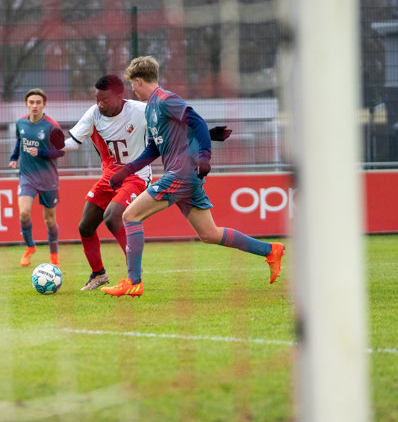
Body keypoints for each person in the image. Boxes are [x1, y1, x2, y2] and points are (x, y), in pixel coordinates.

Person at [102, 56, 284, 297]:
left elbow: (197, 122)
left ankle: (133, 282)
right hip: (184, 176)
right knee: (209, 234)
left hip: (182, 173)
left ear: (138, 80)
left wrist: (204, 157)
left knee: (130, 215)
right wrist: (127, 171)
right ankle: (271, 250)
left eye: (132, 85)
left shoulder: (166, 100)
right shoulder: (151, 110)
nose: (132, 91)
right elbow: (154, 148)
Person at [61, 75, 150, 290]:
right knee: (85, 226)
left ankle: (133, 274)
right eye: (97, 99)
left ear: (120, 96)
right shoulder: (94, 113)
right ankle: (98, 274)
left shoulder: (141, 111)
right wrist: (54, 146)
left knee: (112, 217)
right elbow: (72, 143)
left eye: (105, 100)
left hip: (136, 175)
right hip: (109, 177)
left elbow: (173, 123)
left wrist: (204, 134)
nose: (99, 104)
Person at [8, 88, 65, 266]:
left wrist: (40, 152)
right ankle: (30, 247)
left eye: (38, 102)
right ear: (26, 104)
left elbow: (61, 151)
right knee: (24, 212)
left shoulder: (52, 125)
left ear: (44, 104)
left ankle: (54, 253)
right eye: (31, 102)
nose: (34, 105)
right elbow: (20, 141)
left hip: (48, 179)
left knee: (49, 220)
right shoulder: (20, 123)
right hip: (27, 177)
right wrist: (14, 157)